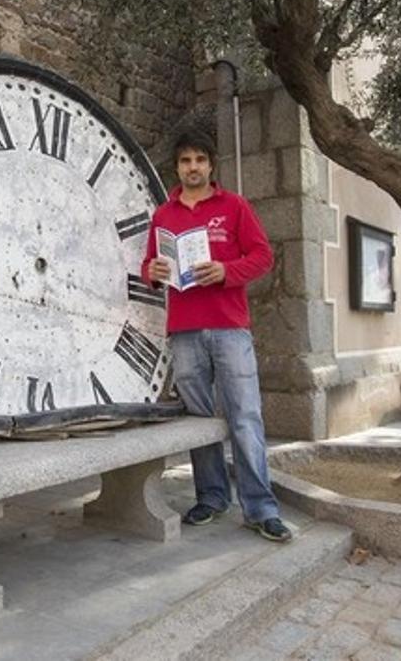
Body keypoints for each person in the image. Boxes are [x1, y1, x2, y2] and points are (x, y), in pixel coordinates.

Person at [142, 130, 292, 543]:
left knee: (245, 418)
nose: (193, 167)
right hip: (184, 331)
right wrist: (151, 273)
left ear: (211, 165)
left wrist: (227, 272)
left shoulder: (234, 207)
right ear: (178, 167)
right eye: (186, 160)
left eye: (200, 160)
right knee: (200, 422)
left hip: (230, 328)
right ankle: (211, 497)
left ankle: (260, 509)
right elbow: (149, 266)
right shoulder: (163, 216)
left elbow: (262, 256)